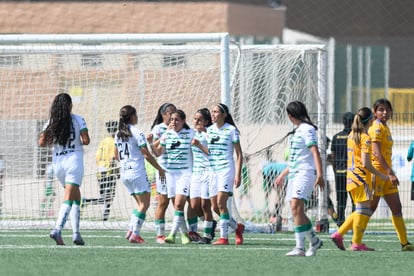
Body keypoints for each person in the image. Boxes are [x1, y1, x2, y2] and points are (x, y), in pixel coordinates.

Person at [330, 107, 390, 251]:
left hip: (351, 177)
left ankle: (352, 240)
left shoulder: (352, 135)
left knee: (361, 210)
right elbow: (365, 163)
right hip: (361, 178)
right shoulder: (365, 137)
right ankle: (347, 238)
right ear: (370, 120)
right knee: (361, 210)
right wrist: (381, 175)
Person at [38, 93, 90, 246]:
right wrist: (76, 140)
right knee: (69, 196)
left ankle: (76, 233)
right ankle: (57, 229)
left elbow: (41, 142)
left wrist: (55, 139)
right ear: (70, 105)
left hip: (58, 163)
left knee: (76, 196)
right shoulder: (78, 119)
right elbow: (86, 140)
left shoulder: (51, 122)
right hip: (74, 161)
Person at [274, 101, 324, 257]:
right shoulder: (297, 131)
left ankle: (300, 248)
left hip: (305, 173)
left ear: (290, 116)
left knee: (296, 206)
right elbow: (296, 159)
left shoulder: (307, 129)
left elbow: (315, 152)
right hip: (295, 174)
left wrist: (320, 175)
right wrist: (283, 174)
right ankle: (314, 240)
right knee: (297, 210)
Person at [114, 105, 166, 244]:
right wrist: (159, 169)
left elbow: (116, 155)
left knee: (140, 205)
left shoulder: (118, 134)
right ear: (132, 116)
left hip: (125, 172)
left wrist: (127, 160)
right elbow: (146, 154)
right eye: (135, 114)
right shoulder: (137, 132)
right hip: (136, 172)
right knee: (145, 203)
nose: (137, 117)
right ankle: (135, 234)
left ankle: (131, 230)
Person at [368, 98, 414, 251]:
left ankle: (405, 243)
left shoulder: (385, 127)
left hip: (386, 174)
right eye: (381, 109)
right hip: (377, 173)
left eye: (387, 109)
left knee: (397, 207)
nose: (385, 112)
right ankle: (346, 236)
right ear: (374, 112)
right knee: (369, 208)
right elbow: (376, 152)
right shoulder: (377, 128)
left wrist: (390, 172)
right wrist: (389, 172)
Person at [151, 109, 196, 244]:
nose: (173, 122)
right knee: (176, 206)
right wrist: (149, 143)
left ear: (183, 121)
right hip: (169, 174)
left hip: (184, 174)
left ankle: (171, 234)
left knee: (179, 203)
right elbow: (158, 153)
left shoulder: (190, 134)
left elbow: (203, 140)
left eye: (177, 120)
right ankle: (184, 235)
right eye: (171, 120)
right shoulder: (166, 135)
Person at [207, 103, 244, 246]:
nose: (213, 114)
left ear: (224, 115)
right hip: (212, 171)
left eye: (216, 112)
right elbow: (207, 151)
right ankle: (237, 227)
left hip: (226, 169)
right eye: (212, 112)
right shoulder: (209, 130)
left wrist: (238, 174)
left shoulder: (231, 130)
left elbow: (239, 154)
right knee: (215, 207)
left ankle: (224, 237)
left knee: (221, 203)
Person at [146, 102, 177, 243]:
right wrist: (167, 133)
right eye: (170, 113)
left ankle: (187, 232)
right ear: (163, 114)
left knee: (180, 202)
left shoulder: (179, 127)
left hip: (180, 170)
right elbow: (154, 149)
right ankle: (160, 234)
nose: (173, 116)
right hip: (164, 170)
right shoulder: (158, 129)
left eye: (174, 112)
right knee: (163, 202)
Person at [189, 108, 217, 244]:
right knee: (194, 205)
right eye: (195, 119)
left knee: (206, 205)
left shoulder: (209, 135)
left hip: (208, 171)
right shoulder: (191, 133)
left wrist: (199, 145)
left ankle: (207, 236)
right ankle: (211, 223)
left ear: (206, 122)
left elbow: (213, 153)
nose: (196, 122)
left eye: (199, 119)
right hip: (196, 173)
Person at [83, 120, 119, 221]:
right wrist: (117, 173)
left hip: (100, 171)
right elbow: (113, 159)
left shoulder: (103, 141)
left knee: (106, 197)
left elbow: (97, 156)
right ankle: (86, 201)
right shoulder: (113, 142)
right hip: (109, 171)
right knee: (108, 197)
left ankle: (105, 217)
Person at [330, 112, 355, 227]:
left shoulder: (336, 137)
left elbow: (333, 157)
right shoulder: (355, 137)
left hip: (339, 173)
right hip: (352, 173)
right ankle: (354, 222)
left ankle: (341, 223)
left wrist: (336, 170)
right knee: (355, 200)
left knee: (341, 200)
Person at [262, 148, 288, 231]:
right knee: (280, 194)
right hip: (269, 172)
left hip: (271, 172)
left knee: (281, 195)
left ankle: (276, 214)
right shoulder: (289, 173)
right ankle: (275, 216)